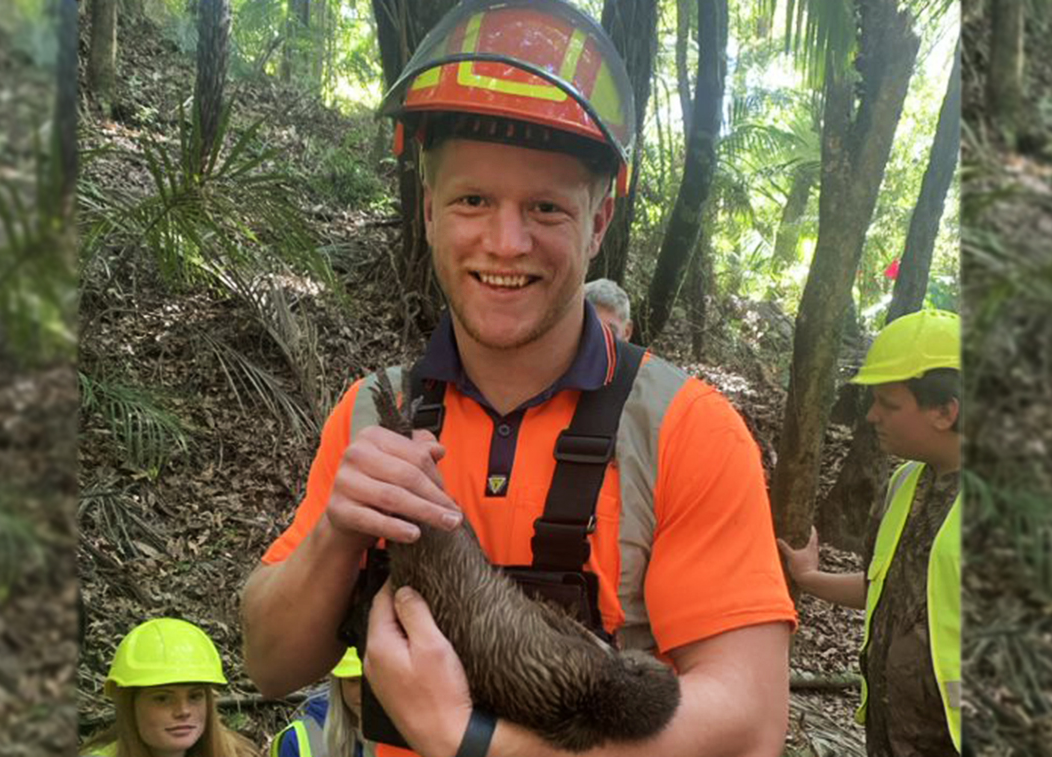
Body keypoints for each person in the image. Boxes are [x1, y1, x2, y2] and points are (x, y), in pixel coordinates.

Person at [242, 2, 797, 756]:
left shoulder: (683, 429)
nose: (506, 243)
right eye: (474, 200)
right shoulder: (377, 413)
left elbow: (749, 725)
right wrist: (338, 533)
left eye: (545, 207)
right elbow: (269, 663)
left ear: (598, 223)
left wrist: (466, 739)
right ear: (430, 210)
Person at [777, 309, 961, 757]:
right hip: (892, 738)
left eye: (889, 404)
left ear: (944, 411)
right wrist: (809, 579)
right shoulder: (904, 484)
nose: (873, 415)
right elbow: (891, 590)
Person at [80, 617, 257, 757]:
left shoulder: (235, 753)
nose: (183, 711)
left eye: (194, 696)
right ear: (129, 704)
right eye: (162, 698)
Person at [270, 647, 372, 757]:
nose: (363, 693)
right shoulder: (298, 741)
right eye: (352, 680)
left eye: (372, 681)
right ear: (338, 683)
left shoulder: (392, 735)